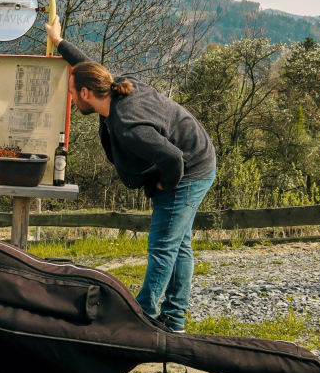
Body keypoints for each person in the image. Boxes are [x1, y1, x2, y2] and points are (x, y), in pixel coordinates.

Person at [46, 17, 216, 333]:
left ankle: (144, 319)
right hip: (191, 156)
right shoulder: (112, 86)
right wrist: (58, 41)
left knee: (163, 245)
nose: (71, 101)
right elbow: (86, 65)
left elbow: (173, 158)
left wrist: (168, 183)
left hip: (189, 167)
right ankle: (174, 320)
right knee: (178, 245)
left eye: (71, 94)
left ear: (85, 93)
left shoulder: (128, 125)